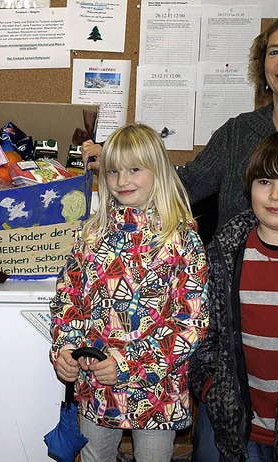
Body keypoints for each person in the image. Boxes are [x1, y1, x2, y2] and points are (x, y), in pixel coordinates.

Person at [83, 16, 278, 237]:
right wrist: (121, 162)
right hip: (229, 280)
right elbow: (183, 186)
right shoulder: (238, 132)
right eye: (274, 52)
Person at [49, 123, 209, 462]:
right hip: (97, 386)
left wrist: (128, 364)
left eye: (134, 170)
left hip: (155, 391)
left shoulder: (181, 241)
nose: (122, 181)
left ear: (158, 171)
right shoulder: (92, 236)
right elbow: (69, 298)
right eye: (113, 172)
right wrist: (65, 349)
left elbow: (188, 324)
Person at [189, 132, 278, 462]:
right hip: (238, 427)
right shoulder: (224, 254)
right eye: (265, 180)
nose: (274, 195)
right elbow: (202, 332)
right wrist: (212, 388)